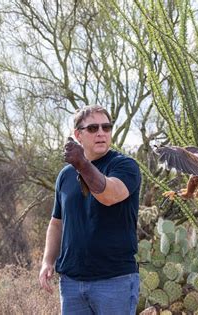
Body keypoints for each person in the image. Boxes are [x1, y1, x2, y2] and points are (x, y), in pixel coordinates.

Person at [38, 105, 141, 315]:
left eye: (106, 127)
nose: (101, 133)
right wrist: (48, 261)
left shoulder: (124, 166)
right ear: (78, 135)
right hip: (72, 282)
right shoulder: (65, 176)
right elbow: (57, 223)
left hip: (114, 281)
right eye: (93, 128)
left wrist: (83, 165)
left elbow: (109, 195)